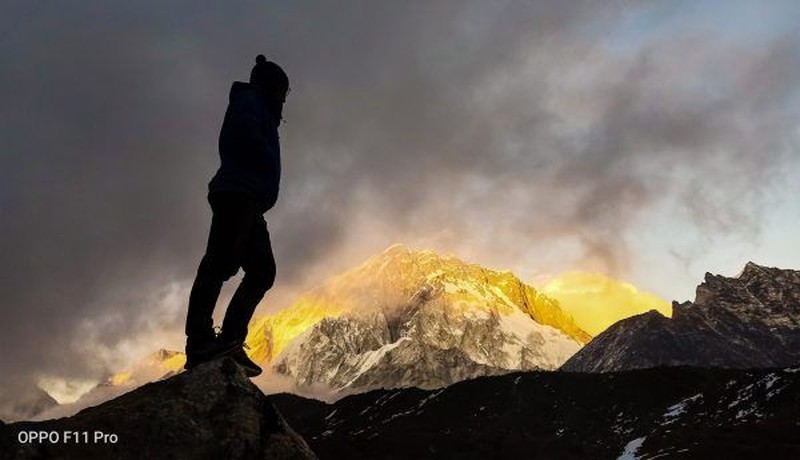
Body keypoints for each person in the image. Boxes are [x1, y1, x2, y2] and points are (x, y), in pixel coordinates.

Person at [184, 55, 289, 377]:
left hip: (249, 199)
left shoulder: (259, 107)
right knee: (219, 264)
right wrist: (264, 160)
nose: (285, 99)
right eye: (283, 91)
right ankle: (200, 341)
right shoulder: (250, 101)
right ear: (273, 87)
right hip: (238, 193)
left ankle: (230, 341)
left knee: (262, 271)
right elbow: (238, 135)